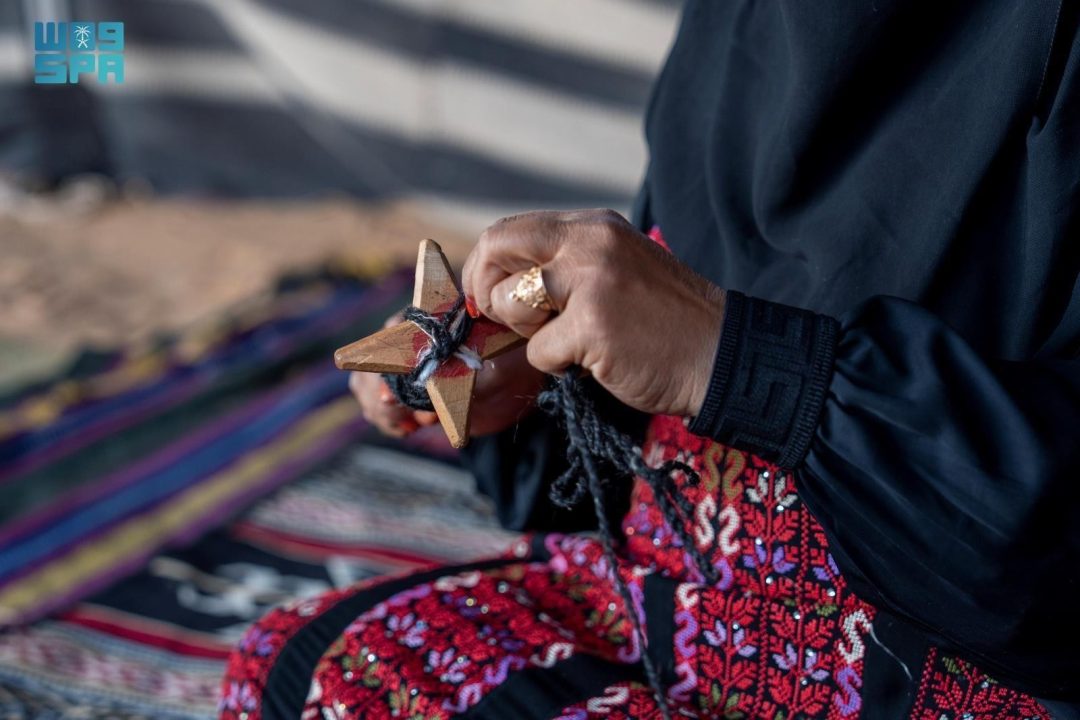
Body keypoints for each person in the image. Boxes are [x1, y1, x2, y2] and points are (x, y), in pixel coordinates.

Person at [220, 2, 1080, 718]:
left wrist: (733, 358)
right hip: (667, 615)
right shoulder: (746, 25)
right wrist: (535, 374)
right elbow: (647, 426)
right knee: (307, 670)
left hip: (938, 677)